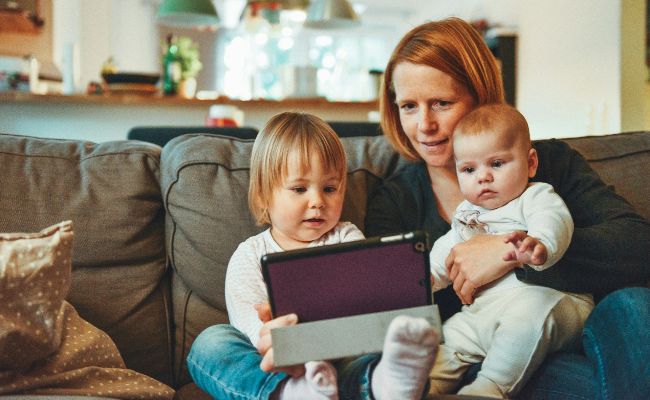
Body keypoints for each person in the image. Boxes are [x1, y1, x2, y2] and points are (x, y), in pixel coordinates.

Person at [365, 17, 650, 399]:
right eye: (409, 107)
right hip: (470, 356)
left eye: (441, 103)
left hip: (563, 337)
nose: (425, 125)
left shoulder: (548, 164)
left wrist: (510, 251)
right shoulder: (395, 200)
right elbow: (392, 307)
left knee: (633, 304)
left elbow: (637, 246)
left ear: (480, 96)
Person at [186, 111, 439, 400]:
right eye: (299, 189)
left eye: (330, 188)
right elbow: (250, 328)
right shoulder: (249, 255)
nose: (318, 201)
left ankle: (385, 384)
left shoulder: (346, 237)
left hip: (343, 356)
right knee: (210, 343)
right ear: (263, 196)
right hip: (280, 364)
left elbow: (367, 301)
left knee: (388, 346)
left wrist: (402, 286)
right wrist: (282, 342)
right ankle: (292, 393)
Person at [426, 103, 593, 398]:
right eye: (469, 169)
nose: (483, 177)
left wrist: (540, 244)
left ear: (530, 163)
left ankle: (488, 389)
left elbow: (554, 220)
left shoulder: (535, 195)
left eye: (497, 164)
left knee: (526, 316)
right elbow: (448, 249)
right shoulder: (467, 212)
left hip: (551, 303)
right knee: (449, 336)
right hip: (483, 313)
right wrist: (427, 277)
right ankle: (423, 387)